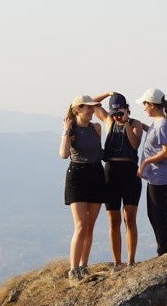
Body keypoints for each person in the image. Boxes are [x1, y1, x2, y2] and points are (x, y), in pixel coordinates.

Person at [92, 91, 144, 269]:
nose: (117, 115)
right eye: (114, 111)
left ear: (126, 109)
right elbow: (92, 103)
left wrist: (126, 122)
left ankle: (131, 260)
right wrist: (107, 93)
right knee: (113, 220)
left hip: (130, 172)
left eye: (120, 110)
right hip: (111, 172)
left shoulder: (135, 123)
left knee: (129, 218)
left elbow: (135, 144)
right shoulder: (108, 121)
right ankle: (117, 262)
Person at [59, 94, 104, 280]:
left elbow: (99, 152)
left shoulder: (96, 127)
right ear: (78, 109)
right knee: (80, 225)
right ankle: (73, 269)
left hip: (96, 174)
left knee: (90, 226)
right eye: (88, 108)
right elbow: (63, 154)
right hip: (77, 176)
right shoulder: (71, 129)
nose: (92, 111)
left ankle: (84, 265)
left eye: (93, 108)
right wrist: (66, 132)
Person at [135, 87, 167, 256]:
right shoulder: (158, 122)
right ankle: (163, 248)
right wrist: (136, 124)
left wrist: (145, 163)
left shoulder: (163, 124)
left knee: (158, 213)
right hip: (156, 176)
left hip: (161, 175)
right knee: (154, 213)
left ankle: (165, 249)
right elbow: (154, 134)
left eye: (145, 104)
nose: (144, 108)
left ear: (151, 104)